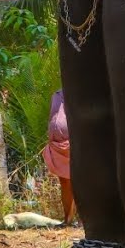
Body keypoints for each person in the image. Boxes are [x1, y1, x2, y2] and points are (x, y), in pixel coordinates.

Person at [41, 88, 77, 225]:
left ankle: (85, 220)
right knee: (65, 182)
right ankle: (68, 220)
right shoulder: (57, 94)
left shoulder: (81, 92)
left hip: (76, 142)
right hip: (58, 145)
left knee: (79, 182)